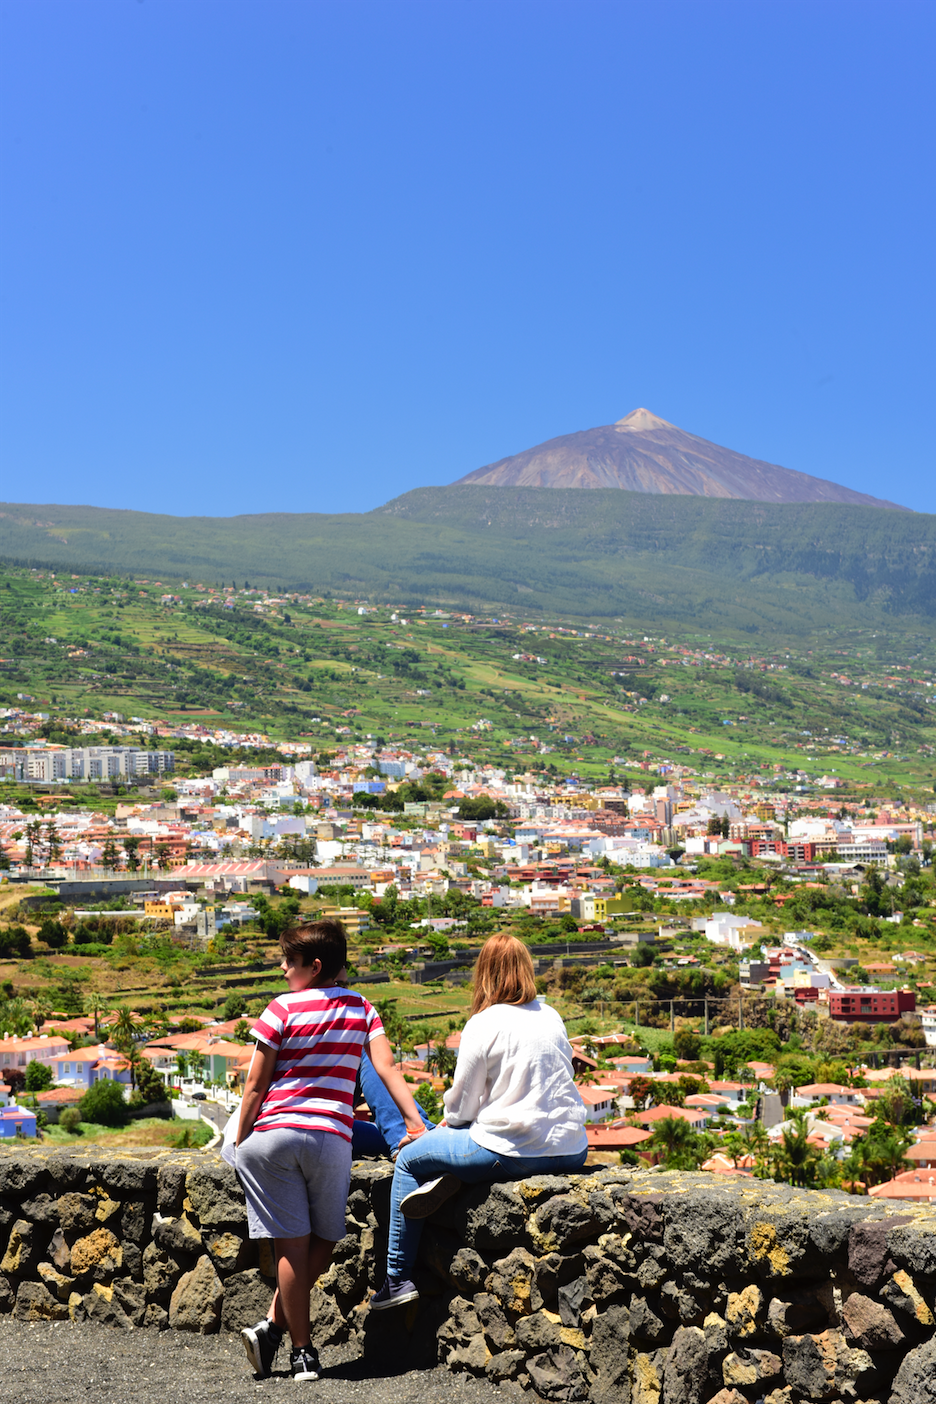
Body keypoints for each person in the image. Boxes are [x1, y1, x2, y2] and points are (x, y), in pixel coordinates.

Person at [235, 918, 426, 1380]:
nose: (283, 970)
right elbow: (385, 1069)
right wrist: (416, 1123)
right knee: (324, 1240)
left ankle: (296, 1347)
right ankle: (281, 1339)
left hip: (274, 1137)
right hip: (331, 1137)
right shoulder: (362, 1008)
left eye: (290, 962)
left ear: (315, 966)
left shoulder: (279, 1010)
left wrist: (240, 1138)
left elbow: (256, 1086)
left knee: (290, 1246)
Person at [371, 932, 588, 1310]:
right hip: (572, 1150)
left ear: (484, 973)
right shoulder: (551, 1016)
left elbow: (461, 1110)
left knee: (408, 1160)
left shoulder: (484, 1023)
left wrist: (441, 1128)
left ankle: (396, 1279)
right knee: (468, 1143)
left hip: (512, 1150)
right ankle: (455, 1174)